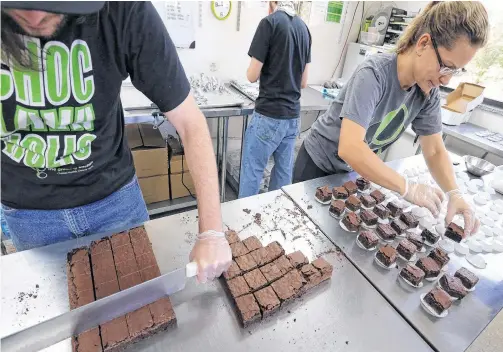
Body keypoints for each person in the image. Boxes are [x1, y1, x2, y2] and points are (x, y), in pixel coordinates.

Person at [1, 1, 231, 282]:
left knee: (141, 307)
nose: (35, 15)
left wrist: (212, 232)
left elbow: (189, 122)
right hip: (29, 215)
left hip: (115, 202)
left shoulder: (123, 9)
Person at [294, 1, 489, 238]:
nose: (446, 80)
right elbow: (351, 147)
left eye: (456, 71)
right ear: (424, 43)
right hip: (316, 164)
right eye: (446, 67)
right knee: (304, 233)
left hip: (349, 172)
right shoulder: (375, 74)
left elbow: (435, 150)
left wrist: (454, 194)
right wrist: (406, 188)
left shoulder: (427, 91)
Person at [239, 1, 311, 198]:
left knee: (252, 172)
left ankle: (242, 222)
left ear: (272, 2)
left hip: (269, 115)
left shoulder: (269, 23)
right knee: (282, 174)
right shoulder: (304, 28)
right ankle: (274, 220)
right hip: (292, 118)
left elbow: (252, 75)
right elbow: (304, 82)